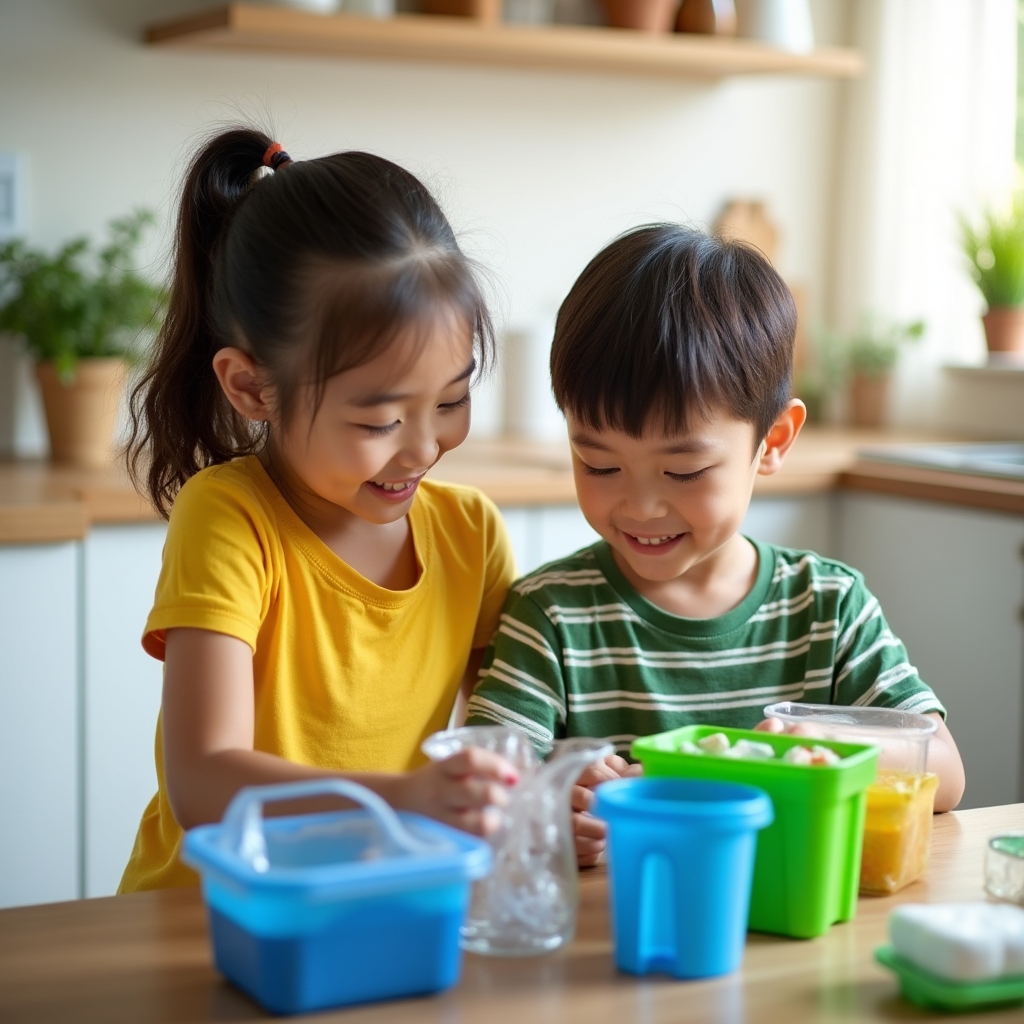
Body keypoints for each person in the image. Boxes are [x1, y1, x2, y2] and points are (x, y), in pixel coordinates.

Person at [465, 225, 966, 866]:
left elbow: (946, 773)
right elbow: (483, 785)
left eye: (684, 473)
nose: (641, 507)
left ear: (774, 441)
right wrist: (550, 798)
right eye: (598, 464)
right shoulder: (553, 616)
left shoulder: (829, 607)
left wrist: (821, 746)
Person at [118, 128, 518, 892]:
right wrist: (409, 801)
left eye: (452, 399)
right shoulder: (231, 520)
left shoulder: (471, 534)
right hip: (207, 918)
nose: (423, 449)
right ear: (251, 388)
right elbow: (203, 783)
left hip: (372, 903)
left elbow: (515, 733)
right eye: (378, 422)